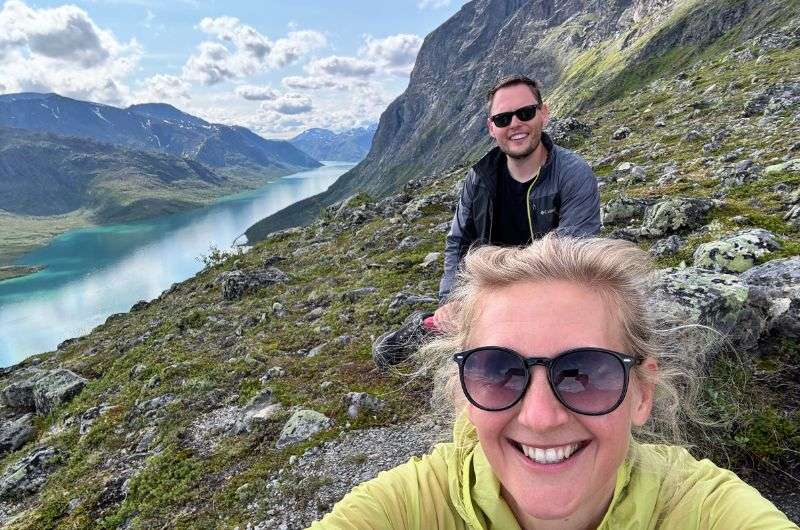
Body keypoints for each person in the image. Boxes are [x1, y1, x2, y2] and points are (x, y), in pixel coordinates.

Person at [313, 235, 797, 529]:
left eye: (584, 372)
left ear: (642, 393)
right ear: (463, 393)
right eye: (498, 371)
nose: (541, 418)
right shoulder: (408, 510)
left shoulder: (702, 511)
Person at [372, 75, 600, 368]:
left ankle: (463, 335)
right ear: (492, 128)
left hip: (550, 293)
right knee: (392, 353)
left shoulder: (572, 174)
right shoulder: (480, 178)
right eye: (503, 118)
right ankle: (438, 326)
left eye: (525, 113)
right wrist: (451, 300)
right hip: (487, 291)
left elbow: (572, 260)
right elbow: (458, 242)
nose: (515, 123)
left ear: (544, 113)